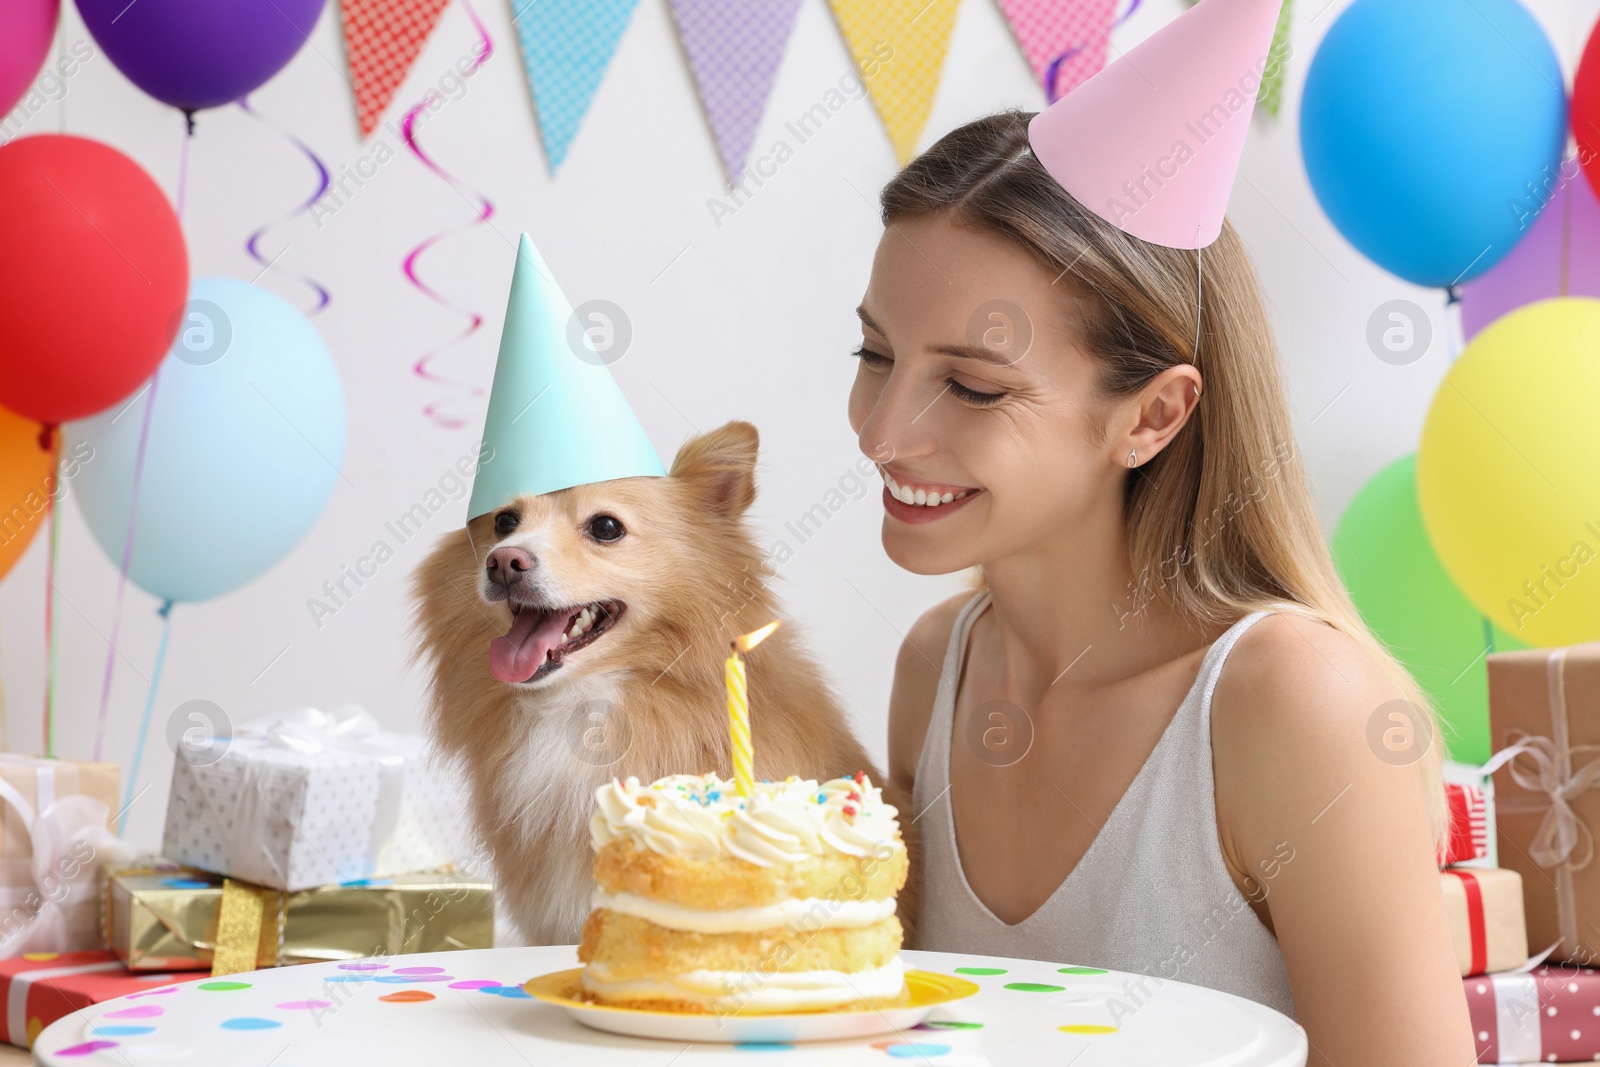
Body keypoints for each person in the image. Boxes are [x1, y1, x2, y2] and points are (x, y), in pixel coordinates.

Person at [847, 106, 1476, 1063]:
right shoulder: (937, 668)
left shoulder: (1299, 703)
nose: (885, 433)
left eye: (972, 388)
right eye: (877, 356)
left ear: (1152, 415)